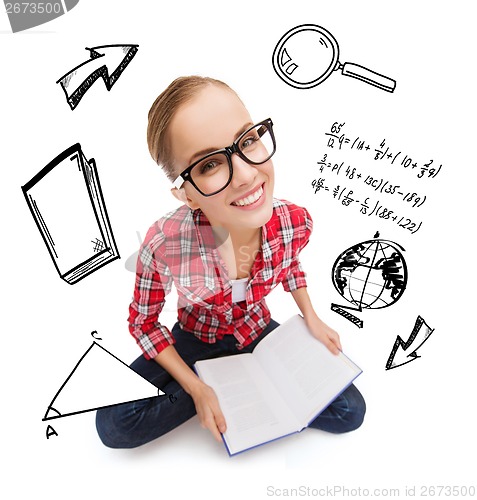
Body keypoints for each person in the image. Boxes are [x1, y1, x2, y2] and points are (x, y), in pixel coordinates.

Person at [95, 76, 365, 449]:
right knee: (115, 423)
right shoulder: (165, 243)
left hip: (256, 331)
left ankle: (244, 390)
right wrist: (197, 388)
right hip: (196, 338)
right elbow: (144, 323)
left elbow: (291, 266)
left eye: (248, 141)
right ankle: (222, 392)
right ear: (186, 194)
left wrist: (312, 318)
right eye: (209, 165)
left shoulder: (293, 221)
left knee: (350, 410)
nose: (248, 173)